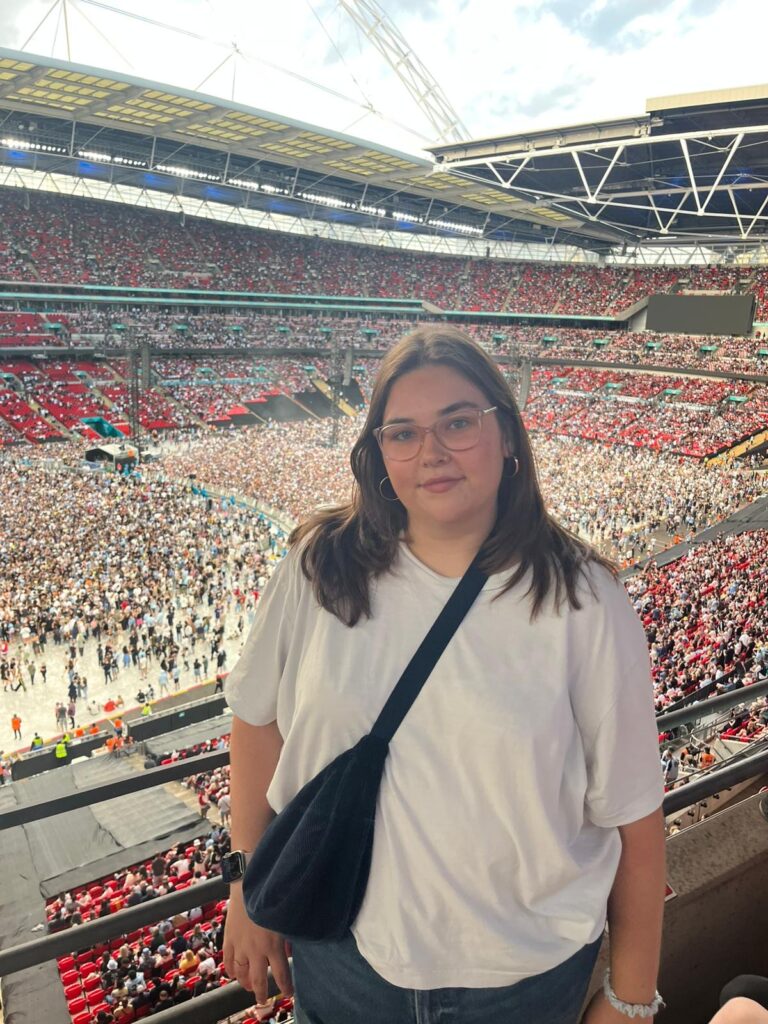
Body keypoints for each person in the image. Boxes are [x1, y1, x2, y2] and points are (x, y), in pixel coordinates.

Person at [223, 327, 666, 1024]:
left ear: (509, 435)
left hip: (523, 978)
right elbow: (255, 722)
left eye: (458, 422)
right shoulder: (318, 567)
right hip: (342, 958)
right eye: (401, 434)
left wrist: (631, 1000)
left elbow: (637, 824)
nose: (430, 452)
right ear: (378, 455)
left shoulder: (584, 600)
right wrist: (249, 884)